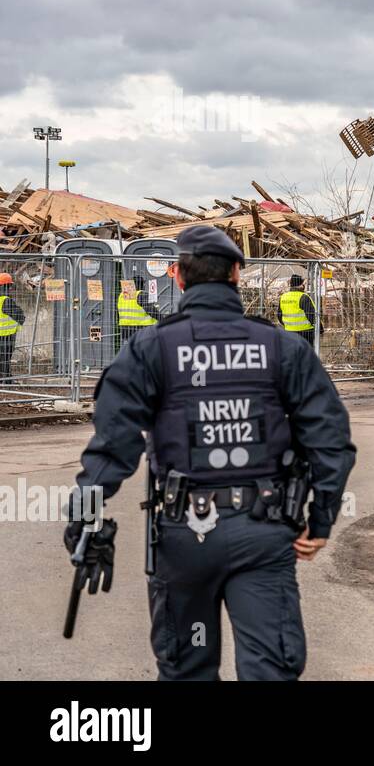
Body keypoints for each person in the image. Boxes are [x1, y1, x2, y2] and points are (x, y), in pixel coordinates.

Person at [66, 225, 355, 680]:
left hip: (183, 538)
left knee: (188, 669)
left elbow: (112, 445)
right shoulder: (282, 347)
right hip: (263, 533)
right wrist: (320, 521)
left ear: (179, 278)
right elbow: (330, 439)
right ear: (237, 274)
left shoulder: (150, 348)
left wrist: (84, 517)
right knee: (269, 670)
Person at [0, 272, 25, 383]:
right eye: (10, 286)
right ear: (6, 286)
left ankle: (6, 378)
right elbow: (20, 316)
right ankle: (6, 380)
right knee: (5, 358)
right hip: (6, 335)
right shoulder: (6, 301)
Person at [277, 275, 316, 344]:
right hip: (305, 332)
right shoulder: (304, 297)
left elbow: (279, 315)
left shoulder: (283, 297)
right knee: (306, 353)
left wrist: (287, 325)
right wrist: (320, 328)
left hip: (289, 331)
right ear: (301, 285)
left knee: (292, 352)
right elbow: (311, 316)